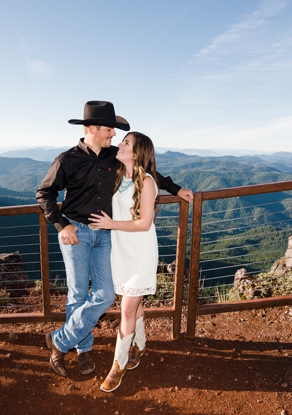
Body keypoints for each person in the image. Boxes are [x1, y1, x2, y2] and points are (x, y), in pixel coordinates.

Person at [37, 101, 192, 377]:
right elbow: (44, 194)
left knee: (106, 294)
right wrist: (62, 226)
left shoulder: (113, 156)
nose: (113, 135)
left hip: (107, 235)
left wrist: (175, 188)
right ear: (94, 129)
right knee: (76, 294)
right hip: (76, 232)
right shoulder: (67, 160)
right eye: (110, 130)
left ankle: (59, 340)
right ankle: (83, 350)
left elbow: (147, 171)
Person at [89, 131, 160, 392]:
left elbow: (144, 223)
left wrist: (110, 224)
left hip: (140, 253)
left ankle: (117, 366)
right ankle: (139, 345)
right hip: (121, 251)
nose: (120, 144)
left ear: (137, 152)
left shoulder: (148, 182)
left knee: (127, 309)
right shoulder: (119, 176)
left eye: (126, 143)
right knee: (134, 301)